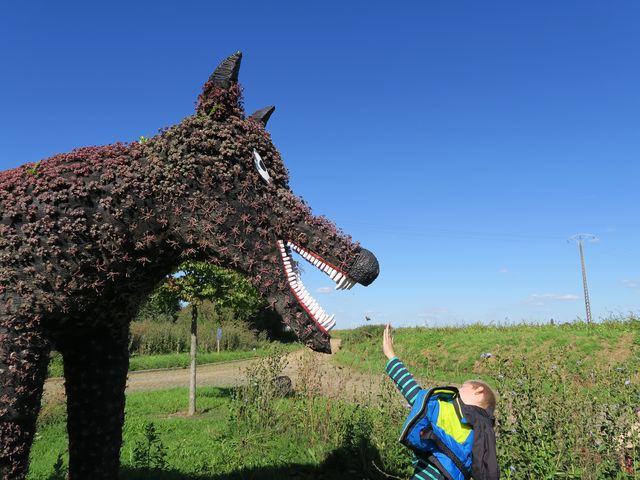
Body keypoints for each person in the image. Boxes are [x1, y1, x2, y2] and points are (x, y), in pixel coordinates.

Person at [383, 324, 500, 480]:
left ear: (478, 391)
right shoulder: (481, 434)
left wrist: (392, 357)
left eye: (462, 387)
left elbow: (417, 395)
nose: (457, 392)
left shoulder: (452, 412)